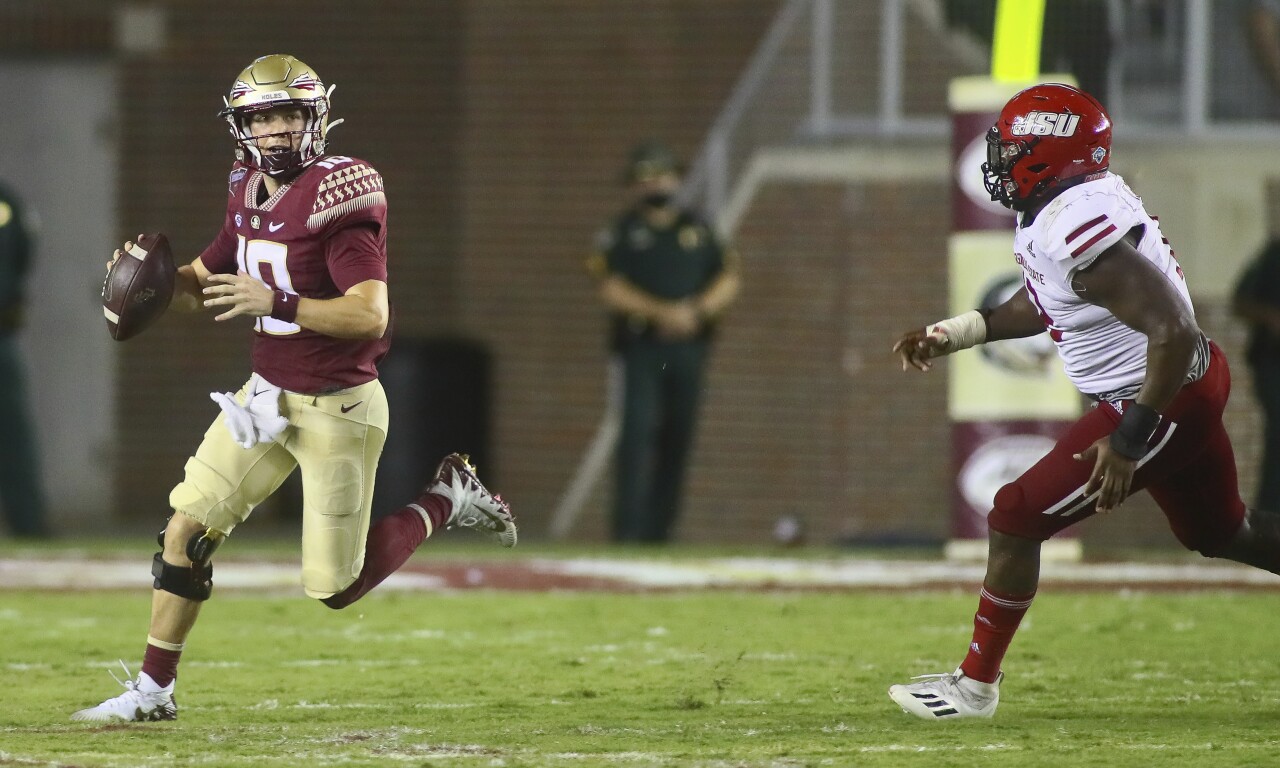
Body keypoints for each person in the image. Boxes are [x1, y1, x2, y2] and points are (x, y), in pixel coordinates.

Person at [71, 54, 517, 723]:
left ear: (316, 118)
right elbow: (203, 282)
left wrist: (277, 302)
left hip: (340, 406)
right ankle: (153, 694)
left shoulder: (339, 196)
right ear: (241, 127)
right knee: (185, 531)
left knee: (334, 586)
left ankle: (446, 497)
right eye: (261, 118)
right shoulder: (246, 187)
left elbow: (369, 314)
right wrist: (149, 285)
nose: (275, 130)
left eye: (288, 115)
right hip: (265, 399)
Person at [886, 83, 1280, 720]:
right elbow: (1048, 298)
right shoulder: (1063, 207)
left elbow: (1173, 330)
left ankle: (974, 686)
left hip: (1159, 395)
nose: (998, 160)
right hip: (1182, 385)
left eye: (1011, 148)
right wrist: (955, 333)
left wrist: (1128, 440)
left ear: (1047, 154)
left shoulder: (1073, 221)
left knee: (1015, 515)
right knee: (1224, 531)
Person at [585, 141, 741, 543]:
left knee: (678, 435)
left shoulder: (698, 229)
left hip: (688, 349)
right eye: (646, 178)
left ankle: (660, 532)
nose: (655, 185)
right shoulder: (623, 233)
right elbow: (610, 288)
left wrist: (696, 313)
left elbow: (728, 278)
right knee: (637, 433)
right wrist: (663, 313)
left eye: (662, 176)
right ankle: (627, 530)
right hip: (642, 347)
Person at [0, 180, 50, 538]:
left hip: (1, 333)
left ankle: (28, 522)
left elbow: (21, 252)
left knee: (13, 433)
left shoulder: (6, 203)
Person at [1232, 236, 1280, 511]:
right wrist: (1271, 318)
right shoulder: (1273, 256)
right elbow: (1240, 301)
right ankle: (1270, 512)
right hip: (1272, 362)